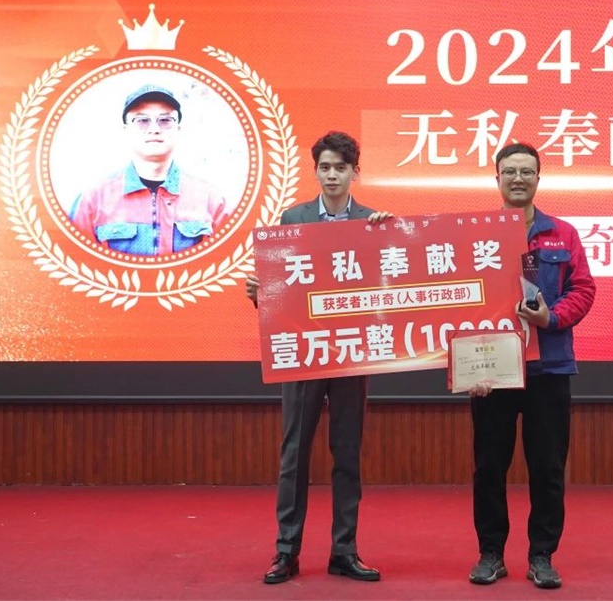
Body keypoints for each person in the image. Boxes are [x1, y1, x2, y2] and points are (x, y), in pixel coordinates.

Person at [245, 131, 392, 585]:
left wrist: (397, 237)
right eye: (325, 167)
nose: (332, 175)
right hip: (304, 353)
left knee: (347, 453)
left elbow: (393, 288)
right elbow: (283, 290)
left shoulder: (373, 222)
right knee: (294, 454)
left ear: (354, 173)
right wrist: (260, 293)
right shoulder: (293, 218)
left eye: (340, 168)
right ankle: (286, 551)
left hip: (350, 351)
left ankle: (344, 551)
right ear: (315, 171)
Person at [467, 142, 597, 590]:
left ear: (538, 178)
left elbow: (583, 289)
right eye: (510, 172)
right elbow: (459, 298)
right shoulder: (475, 235)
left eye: (526, 171)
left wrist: (551, 318)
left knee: (547, 468)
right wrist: (468, 368)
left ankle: (542, 556)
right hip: (492, 370)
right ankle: (490, 554)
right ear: (497, 179)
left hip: (549, 369)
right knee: (489, 467)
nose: (518, 178)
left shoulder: (563, 233)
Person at [69, 84, 228, 256]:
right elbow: (76, 265)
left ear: (178, 129)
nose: (154, 129)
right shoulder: (93, 200)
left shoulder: (211, 200)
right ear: (126, 130)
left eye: (165, 120)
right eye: (142, 121)